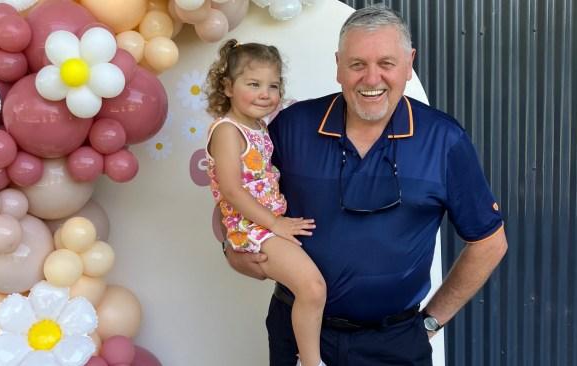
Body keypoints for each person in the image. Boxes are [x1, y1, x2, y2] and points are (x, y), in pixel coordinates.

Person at [223, 5, 509, 366]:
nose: (371, 79)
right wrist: (231, 249)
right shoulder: (290, 127)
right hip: (298, 333)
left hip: (396, 343)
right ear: (339, 65)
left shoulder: (445, 140)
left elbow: (489, 243)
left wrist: (432, 321)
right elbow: (234, 194)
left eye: (386, 63)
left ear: (409, 64)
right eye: (357, 64)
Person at [205, 39, 327, 366]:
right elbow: (231, 190)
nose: (265, 94)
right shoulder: (228, 132)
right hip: (254, 228)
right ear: (228, 87)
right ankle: (312, 362)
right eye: (254, 84)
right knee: (312, 287)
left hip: (266, 223)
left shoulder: (259, 126)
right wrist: (274, 224)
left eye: (273, 86)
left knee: (311, 286)